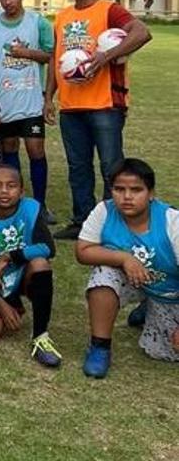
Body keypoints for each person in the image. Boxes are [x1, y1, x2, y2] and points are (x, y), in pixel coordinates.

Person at [45, 0, 151, 240]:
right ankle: (82, 222)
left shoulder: (109, 9)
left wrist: (106, 56)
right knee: (78, 168)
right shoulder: (63, 16)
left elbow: (142, 32)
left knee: (111, 167)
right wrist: (48, 99)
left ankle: (113, 224)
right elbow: (57, 60)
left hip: (105, 105)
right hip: (71, 106)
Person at [77, 158, 179, 378]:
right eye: (119, 189)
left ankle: (148, 308)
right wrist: (124, 258)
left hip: (171, 293)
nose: (127, 197)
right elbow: (83, 251)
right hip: (133, 279)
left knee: (166, 351)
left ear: (151, 193)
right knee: (103, 273)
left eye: (136, 190)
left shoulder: (172, 222)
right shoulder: (104, 211)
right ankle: (99, 347)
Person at [0, 164, 61, 368]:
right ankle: (12, 304)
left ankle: (40, 336)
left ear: (21, 191)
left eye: (11, 186)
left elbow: (48, 248)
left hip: (25, 274)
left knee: (40, 263)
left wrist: (12, 255)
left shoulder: (31, 208)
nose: (4, 191)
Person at [0, 0, 53, 221]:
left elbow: (49, 57)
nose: (8, 1)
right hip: (4, 101)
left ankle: (40, 205)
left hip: (31, 101)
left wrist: (26, 53)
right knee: (9, 150)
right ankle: (14, 202)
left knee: (36, 150)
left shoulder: (37, 21)